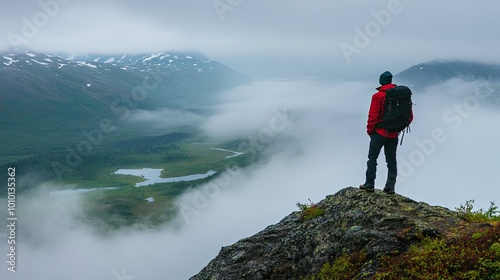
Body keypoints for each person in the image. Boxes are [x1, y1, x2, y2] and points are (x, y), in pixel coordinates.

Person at [359, 71, 413, 194]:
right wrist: (398, 128)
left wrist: (370, 131)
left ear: (381, 81)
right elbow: (410, 117)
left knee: (372, 158)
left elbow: (373, 116)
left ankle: (369, 184)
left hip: (379, 133)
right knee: (391, 161)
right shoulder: (401, 96)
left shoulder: (378, 96)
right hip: (394, 135)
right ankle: (390, 187)